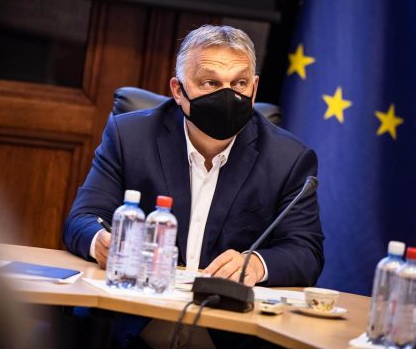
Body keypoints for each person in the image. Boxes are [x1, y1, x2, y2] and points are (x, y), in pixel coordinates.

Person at [63, 24, 324, 346]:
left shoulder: (288, 159)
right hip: (137, 326)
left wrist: (256, 264)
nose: (227, 96)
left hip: (227, 333)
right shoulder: (130, 137)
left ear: (254, 89)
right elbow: (82, 219)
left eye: (239, 83)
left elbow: (306, 251)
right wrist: (101, 241)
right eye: (210, 83)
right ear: (178, 90)